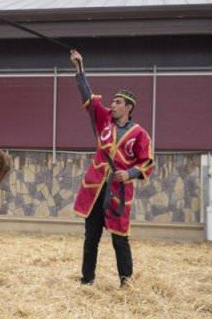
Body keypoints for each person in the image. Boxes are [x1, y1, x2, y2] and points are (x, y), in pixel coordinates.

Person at [70, 49, 154, 287]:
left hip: (118, 192)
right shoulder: (104, 118)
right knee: (91, 238)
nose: (112, 105)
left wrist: (130, 173)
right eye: (113, 102)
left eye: (118, 102)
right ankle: (87, 281)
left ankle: (126, 284)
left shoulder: (140, 134)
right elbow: (87, 96)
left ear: (129, 107)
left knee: (120, 239)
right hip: (95, 188)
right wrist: (80, 68)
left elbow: (147, 161)